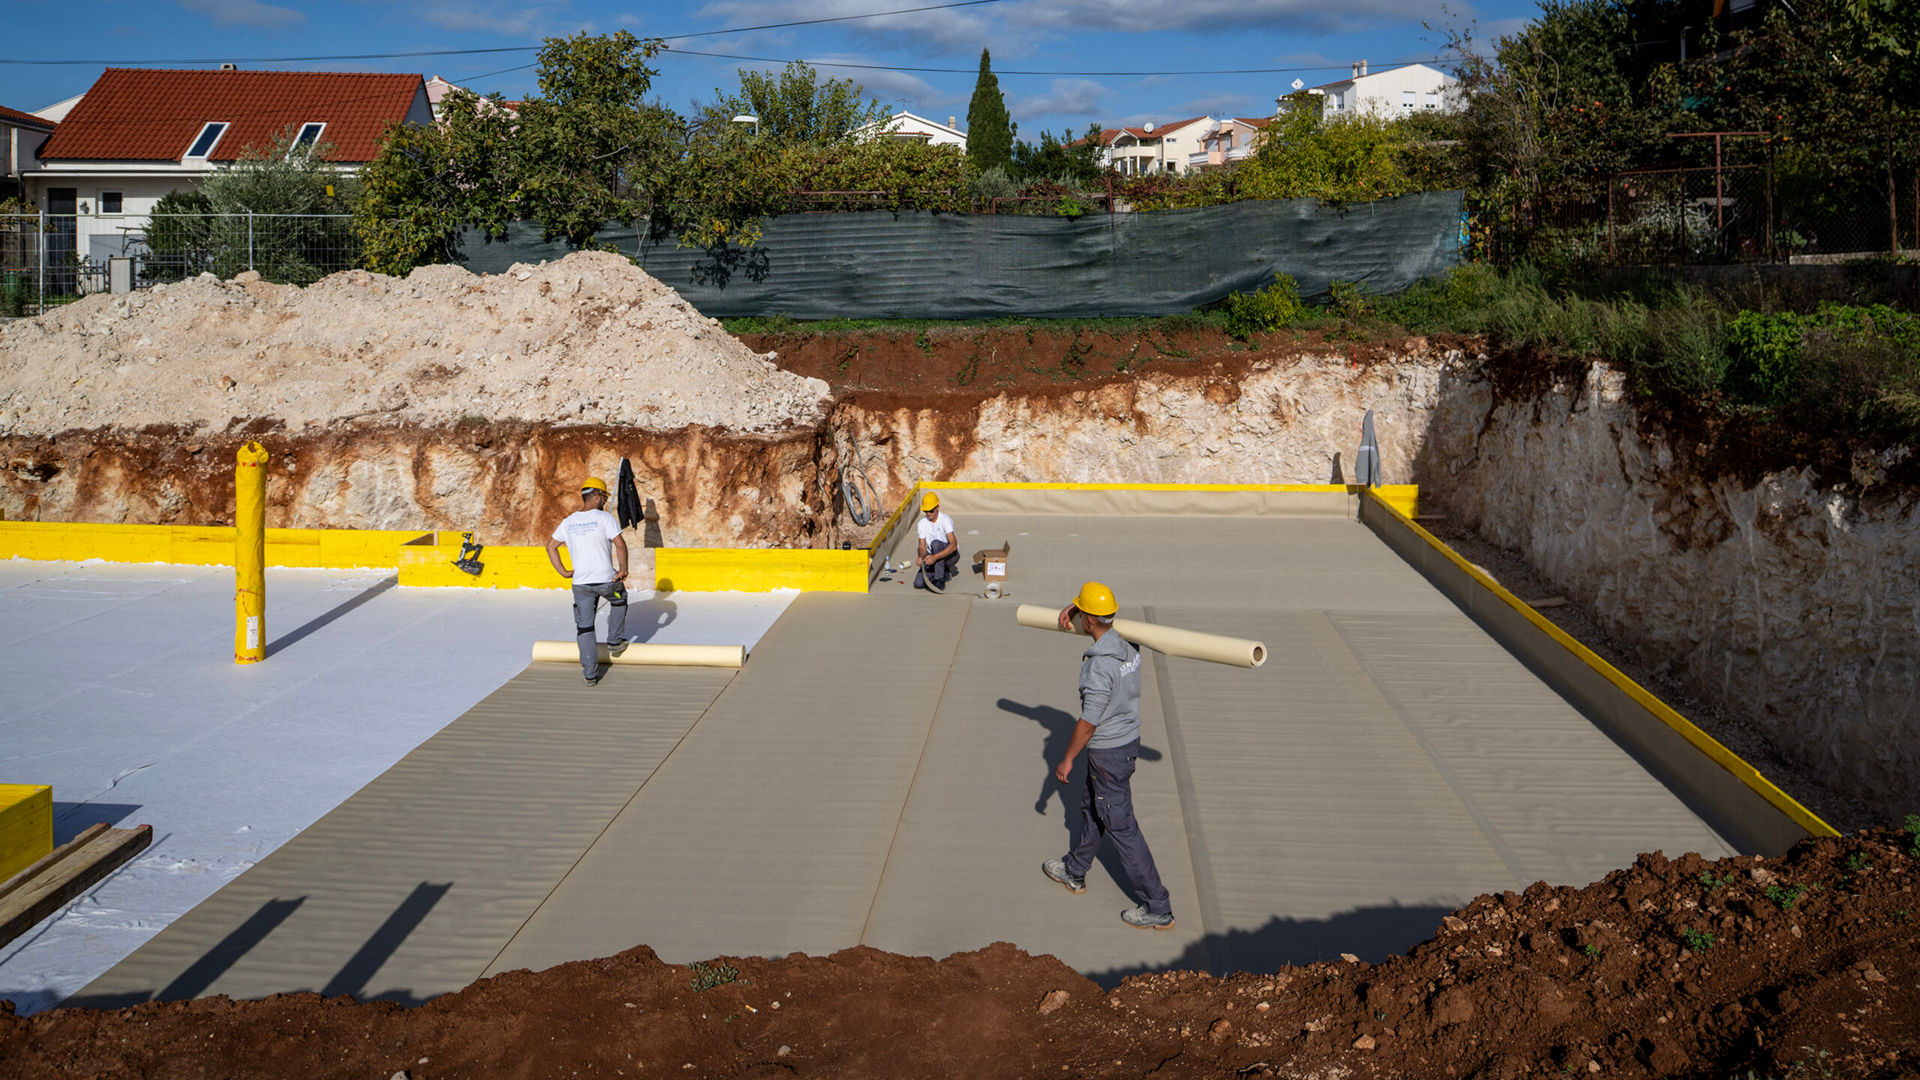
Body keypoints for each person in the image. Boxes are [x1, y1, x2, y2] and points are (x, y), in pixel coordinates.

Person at [1041, 581, 1175, 930]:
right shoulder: (1127, 643)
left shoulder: (1099, 668)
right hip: (1126, 742)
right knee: (1092, 807)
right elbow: (1100, 622)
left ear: (1089, 620)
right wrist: (1074, 610)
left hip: (1109, 754)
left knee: (1121, 826)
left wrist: (1068, 758)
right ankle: (1075, 870)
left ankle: (1157, 906)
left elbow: (1088, 723)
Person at [546, 476, 630, 686]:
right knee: (620, 599)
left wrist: (564, 572)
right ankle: (614, 641)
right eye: (603, 496)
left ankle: (590, 675)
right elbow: (620, 545)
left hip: (581, 585)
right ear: (595, 495)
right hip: (606, 581)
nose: (604, 500)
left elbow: (550, 547)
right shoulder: (605, 518)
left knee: (584, 627)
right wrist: (624, 569)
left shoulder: (568, 522)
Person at [913, 492, 959, 593]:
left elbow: (953, 545)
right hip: (932, 555)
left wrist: (935, 557)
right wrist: (921, 557)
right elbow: (922, 545)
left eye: (931, 510)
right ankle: (943, 573)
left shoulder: (945, 520)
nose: (928, 513)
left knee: (936, 544)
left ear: (937, 508)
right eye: (926, 511)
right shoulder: (922, 524)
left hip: (950, 556)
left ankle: (939, 578)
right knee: (918, 584)